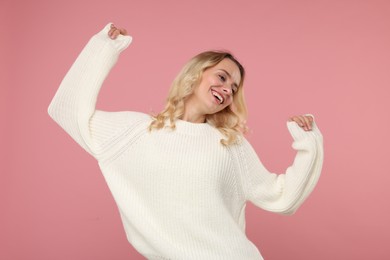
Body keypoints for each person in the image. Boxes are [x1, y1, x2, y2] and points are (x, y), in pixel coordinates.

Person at [48, 23, 324, 260]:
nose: (227, 89)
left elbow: (283, 198)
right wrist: (103, 49)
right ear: (197, 73)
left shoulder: (229, 144)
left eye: (234, 88)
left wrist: (308, 143)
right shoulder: (135, 132)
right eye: (222, 76)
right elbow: (67, 112)